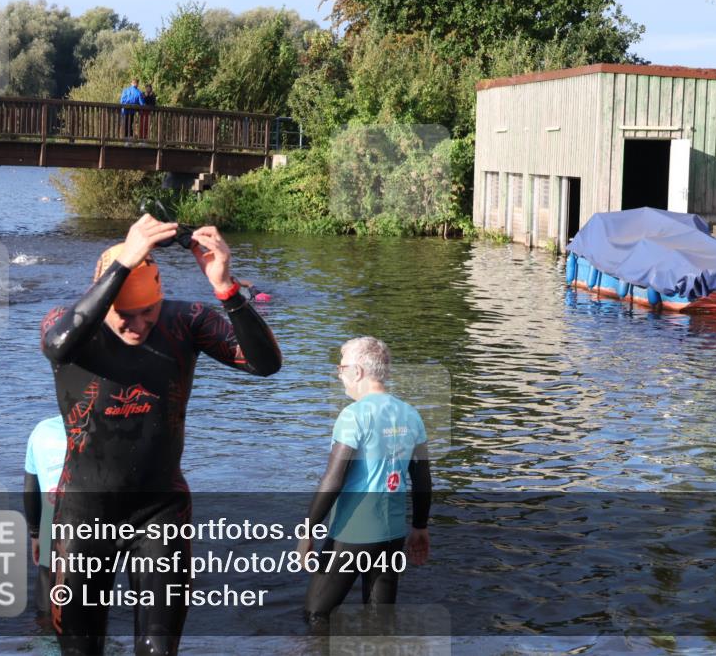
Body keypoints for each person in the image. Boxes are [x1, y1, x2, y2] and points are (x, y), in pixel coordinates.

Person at [40, 214, 281, 656]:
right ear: (102, 301)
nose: (136, 325)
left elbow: (265, 364)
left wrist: (225, 287)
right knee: (80, 648)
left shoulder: (185, 321)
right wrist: (125, 260)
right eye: (124, 316)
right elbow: (57, 345)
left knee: (156, 649)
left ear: (161, 299)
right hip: (83, 512)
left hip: (159, 510)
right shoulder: (68, 326)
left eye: (147, 312)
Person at [297, 336, 432, 629]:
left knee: (316, 615)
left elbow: (334, 478)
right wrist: (420, 526)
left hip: (353, 531)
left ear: (357, 372)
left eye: (341, 366)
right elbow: (422, 479)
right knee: (379, 620)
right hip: (393, 532)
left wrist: (308, 530)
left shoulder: (353, 415)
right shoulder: (411, 414)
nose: (339, 374)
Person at [23, 415, 68, 619]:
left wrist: (34, 533)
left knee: (46, 604)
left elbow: (30, 489)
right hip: (93, 528)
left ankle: (45, 643)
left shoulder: (41, 430)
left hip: (50, 527)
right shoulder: (106, 428)